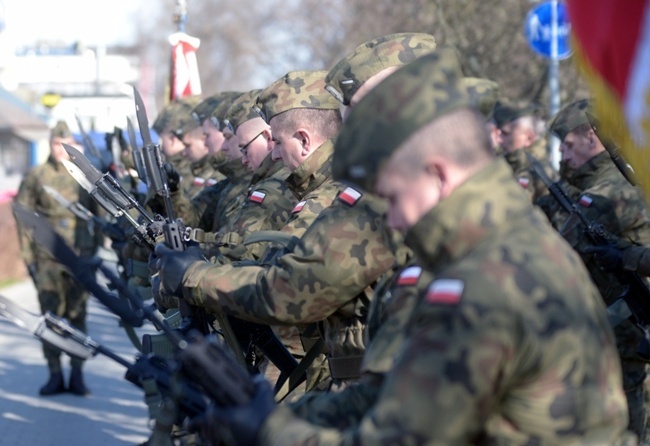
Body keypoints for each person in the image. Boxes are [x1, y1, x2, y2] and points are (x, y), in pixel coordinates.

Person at [187, 49, 633, 446]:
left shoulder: (485, 283)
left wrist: (269, 431)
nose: (393, 220)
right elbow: (386, 397)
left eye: (395, 198)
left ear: (437, 173)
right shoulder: (497, 243)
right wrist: (279, 415)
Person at [537, 98, 650, 441]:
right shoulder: (600, 183)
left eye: (569, 145)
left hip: (628, 325)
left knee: (627, 420)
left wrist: (625, 256)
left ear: (592, 137)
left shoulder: (613, 187)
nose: (564, 157)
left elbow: (562, 245)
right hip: (619, 324)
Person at [14, 120, 103, 396]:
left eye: (65, 143)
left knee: (78, 315)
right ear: (49, 144)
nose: (59, 149)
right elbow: (23, 216)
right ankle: (54, 375)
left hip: (79, 255)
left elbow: (98, 214)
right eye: (54, 143)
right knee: (50, 317)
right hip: (48, 255)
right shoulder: (37, 175)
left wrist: (96, 248)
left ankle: (77, 374)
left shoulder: (83, 175)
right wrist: (29, 256)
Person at [494, 99, 559, 201]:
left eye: (505, 133)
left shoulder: (539, 173)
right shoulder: (513, 165)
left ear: (529, 138)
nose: (499, 139)